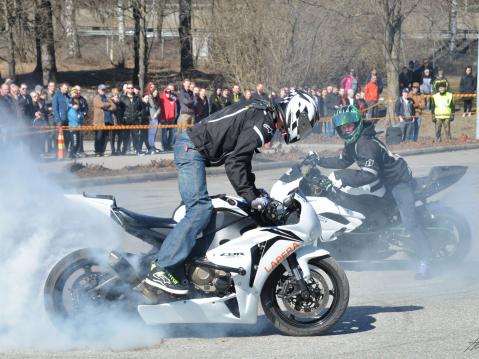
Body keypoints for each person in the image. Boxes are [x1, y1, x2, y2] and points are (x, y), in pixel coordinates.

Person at [144, 89, 320, 294]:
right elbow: (235, 162)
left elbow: (240, 161)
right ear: (296, 112)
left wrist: (254, 193)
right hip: (191, 149)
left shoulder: (263, 113)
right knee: (200, 209)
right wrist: (253, 197)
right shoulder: (264, 122)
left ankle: (189, 264)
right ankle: (162, 269)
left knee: (215, 209)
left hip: (193, 148)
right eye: (305, 123)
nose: (302, 128)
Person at [306, 106, 433, 279]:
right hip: (383, 180)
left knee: (409, 221)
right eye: (343, 128)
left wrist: (344, 179)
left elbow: (368, 174)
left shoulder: (365, 144)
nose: (346, 130)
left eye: (349, 126)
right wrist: (319, 160)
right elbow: (343, 161)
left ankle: (426, 261)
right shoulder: (354, 141)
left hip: (398, 182)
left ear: (357, 124)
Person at [118, 84, 143, 155]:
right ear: (126, 89)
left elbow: (141, 108)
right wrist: (121, 119)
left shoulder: (137, 98)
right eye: (129, 88)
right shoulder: (122, 98)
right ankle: (124, 150)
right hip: (126, 120)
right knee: (125, 136)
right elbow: (120, 110)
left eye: (132, 88)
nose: (130, 89)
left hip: (135, 120)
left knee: (136, 136)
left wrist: (139, 115)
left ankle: (137, 150)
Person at [93, 84, 117, 156]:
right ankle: (97, 151)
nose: (104, 91)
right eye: (102, 89)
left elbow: (114, 107)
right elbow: (100, 105)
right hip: (99, 121)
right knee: (99, 136)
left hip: (108, 120)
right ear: (98, 90)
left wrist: (107, 106)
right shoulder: (96, 98)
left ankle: (102, 151)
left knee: (106, 137)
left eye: (104, 89)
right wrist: (108, 105)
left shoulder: (107, 97)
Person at [52, 83, 71, 155]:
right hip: (60, 120)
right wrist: (58, 120)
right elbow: (54, 108)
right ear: (60, 88)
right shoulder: (56, 96)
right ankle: (57, 154)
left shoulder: (67, 96)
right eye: (65, 88)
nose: (66, 89)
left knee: (67, 137)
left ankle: (65, 152)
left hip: (67, 120)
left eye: (67, 88)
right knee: (58, 137)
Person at [159, 84, 178, 151]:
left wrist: (175, 116)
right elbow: (160, 109)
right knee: (164, 134)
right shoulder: (162, 98)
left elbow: (175, 107)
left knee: (172, 133)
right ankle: (165, 146)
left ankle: (170, 145)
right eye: (169, 91)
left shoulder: (173, 98)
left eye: (172, 91)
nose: (170, 92)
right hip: (164, 119)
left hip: (172, 119)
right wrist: (161, 118)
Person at [146, 88, 162, 154]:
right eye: (154, 92)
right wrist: (150, 115)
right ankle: (150, 147)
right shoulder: (149, 98)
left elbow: (159, 108)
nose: (156, 94)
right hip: (150, 118)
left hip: (155, 118)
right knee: (150, 134)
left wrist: (156, 114)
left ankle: (152, 146)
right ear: (152, 92)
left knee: (154, 133)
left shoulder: (157, 99)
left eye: (157, 93)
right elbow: (149, 107)